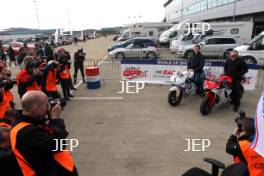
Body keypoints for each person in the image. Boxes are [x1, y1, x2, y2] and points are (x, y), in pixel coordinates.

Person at [10, 91, 78, 176]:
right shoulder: (28, 132)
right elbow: (58, 145)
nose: (48, 108)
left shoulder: (23, 122)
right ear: (36, 109)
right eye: (46, 105)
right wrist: (55, 118)